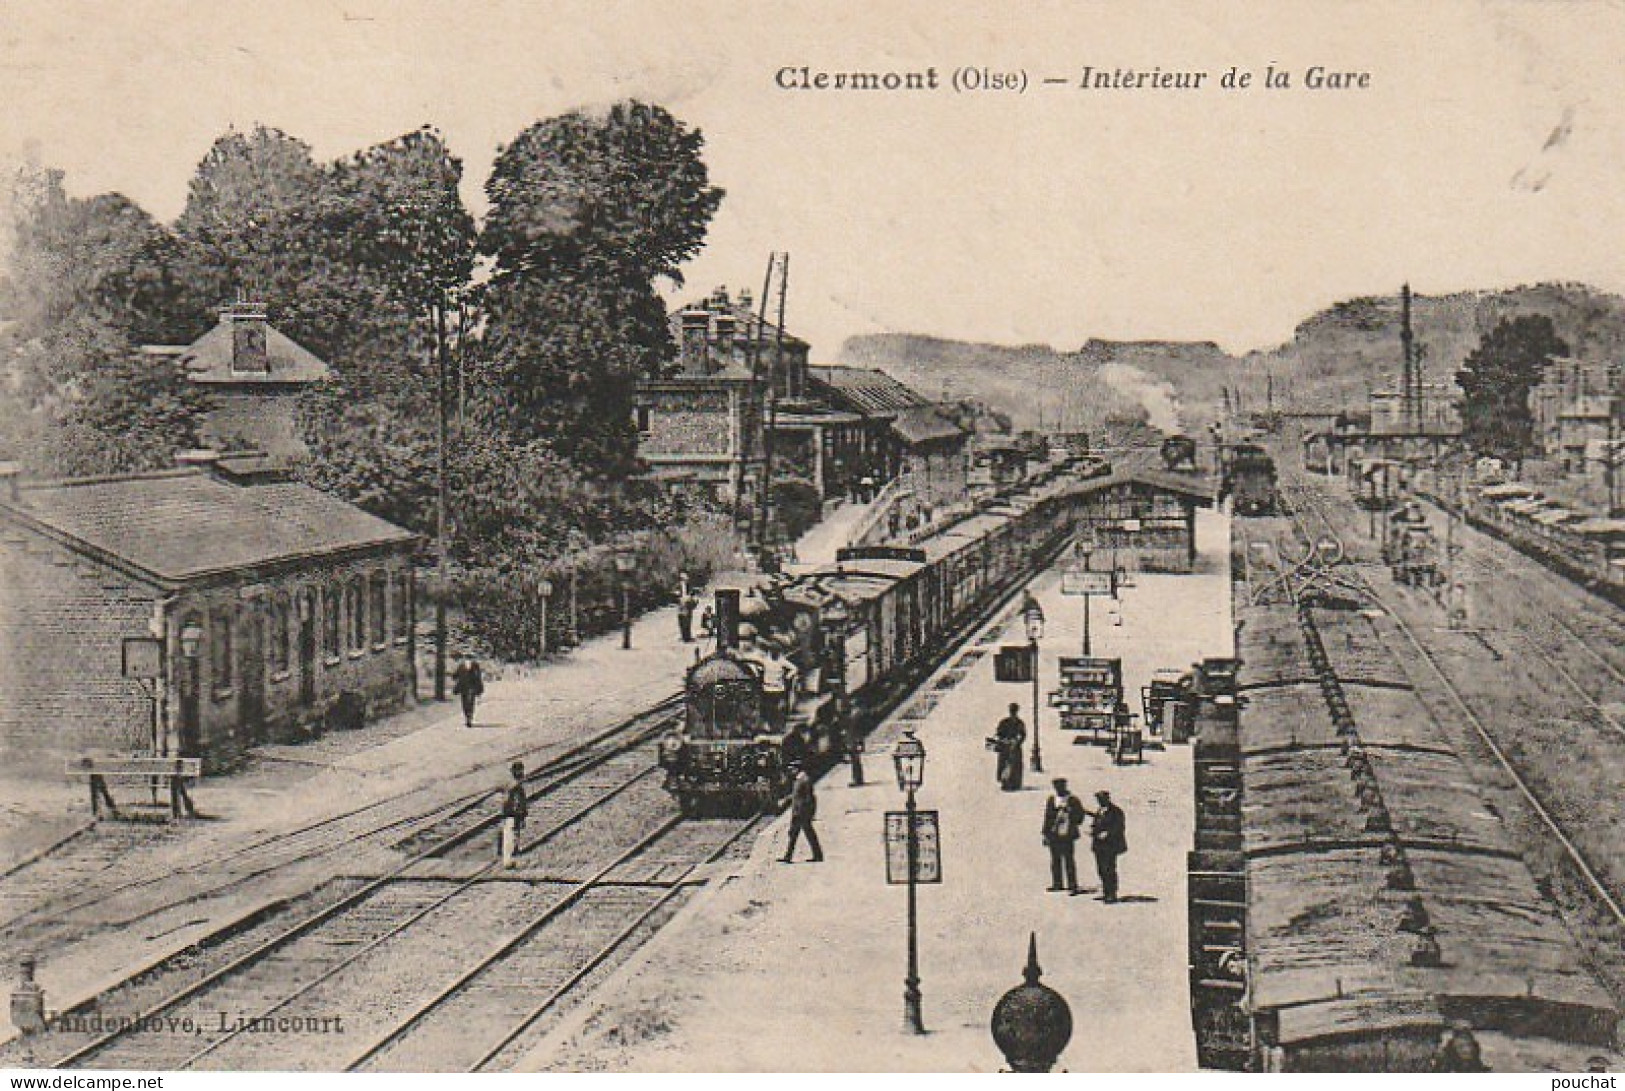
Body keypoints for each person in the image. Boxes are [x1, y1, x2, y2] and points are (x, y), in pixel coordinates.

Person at [1042, 778, 1086, 894]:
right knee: (1055, 860)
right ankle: (1057, 883)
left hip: (1067, 835)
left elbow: (1080, 817)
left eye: (1060, 787)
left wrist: (1070, 814)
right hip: (1054, 834)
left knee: (1069, 860)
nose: (1058, 789)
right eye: (1056, 787)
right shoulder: (1051, 800)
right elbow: (1047, 817)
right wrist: (1045, 834)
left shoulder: (1073, 800)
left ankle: (1072, 884)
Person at [1088, 789, 1128, 902]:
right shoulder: (1100, 810)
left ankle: (1112, 893)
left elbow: (1119, 827)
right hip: (1099, 845)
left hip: (1111, 845)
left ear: (1107, 799)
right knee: (1101, 869)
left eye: (1101, 799)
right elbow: (1096, 824)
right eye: (1098, 800)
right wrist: (1093, 830)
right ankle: (1106, 892)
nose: (1100, 801)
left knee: (1109, 869)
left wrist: (1107, 834)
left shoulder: (1116, 811)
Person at [781, 764, 823, 863]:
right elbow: (797, 795)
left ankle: (817, 855)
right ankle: (788, 856)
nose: (790, 771)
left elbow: (810, 798)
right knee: (795, 834)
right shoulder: (799, 780)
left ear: (797, 769)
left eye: (792, 769)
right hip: (798, 812)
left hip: (802, 812)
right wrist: (787, 799)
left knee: (804, 834)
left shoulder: (805, 780)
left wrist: (810, 813)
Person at [498, 761, 528, 869]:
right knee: (511, 838)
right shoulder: (516, 787)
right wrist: (521, 815)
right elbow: (518, 803)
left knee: (509, 837)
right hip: (513, 815)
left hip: (510, 815)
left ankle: (508, 860)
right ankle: (508, 861)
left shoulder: (510, 785)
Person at [995, 702, 1027, 791]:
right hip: (1006, 746)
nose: (1013, 712)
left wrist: (1017, 741)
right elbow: (998, 733)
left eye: (1014, 711)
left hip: (1014, 747)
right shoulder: (1005, 722)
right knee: (1005, 764)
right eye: (1012, 710)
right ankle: (1005, 782)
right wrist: (1003, 739)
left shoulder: (1019, 722)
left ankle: (1014, 783)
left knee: (1014, 765)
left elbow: (1023, 734)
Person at [451, 656, 484, 728]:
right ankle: (467, 717)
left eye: (469, 658)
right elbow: (456, 675)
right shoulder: (461, 666)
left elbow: (478, 677)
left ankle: (469, 718)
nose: (468, 660)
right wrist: (454, 676)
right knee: (465, 703)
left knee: (470, 702)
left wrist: (479, 688)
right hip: (463, 687)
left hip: (472, 687)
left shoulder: (475, 666)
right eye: (467, 658)